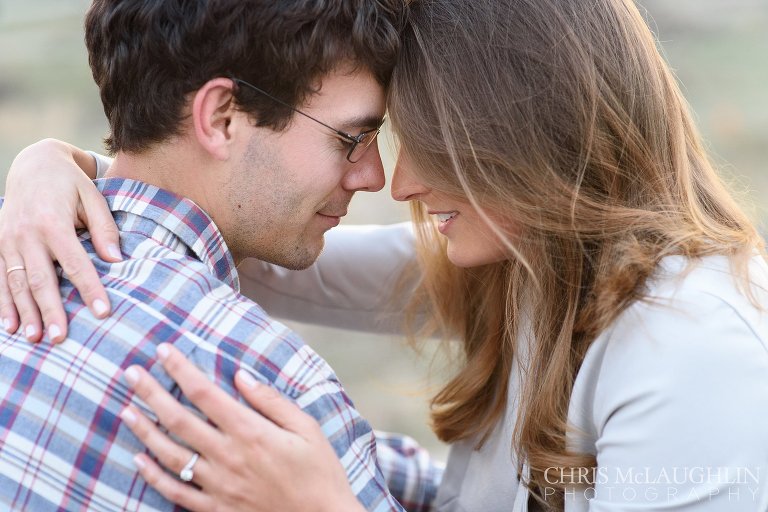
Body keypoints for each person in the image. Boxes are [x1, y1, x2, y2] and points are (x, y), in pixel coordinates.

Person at [3, 0, 768, 511]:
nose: (394, 180)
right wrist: (58, 170)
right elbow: (237, 239)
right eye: (366, 136)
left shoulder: (698, 345)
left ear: (531, 144)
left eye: (429, 144)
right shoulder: (533, 263)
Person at [0, 1, 445, 511]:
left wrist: (51, 157)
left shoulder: (17, 236)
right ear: (221, 118)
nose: (374, 177)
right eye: (352, 138)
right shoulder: (271, 378)